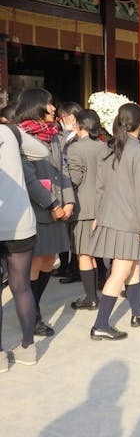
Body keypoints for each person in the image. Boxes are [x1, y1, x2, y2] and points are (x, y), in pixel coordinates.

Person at [87, 103, 140, 340]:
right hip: (129, 221)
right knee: (120, 272)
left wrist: (97, 215)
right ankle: (101, 324)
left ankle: (137, 312)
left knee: (133, 265)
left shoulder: (108, 150)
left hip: (109, 216)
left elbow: (100, 188)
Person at [16, 88, 75, 337]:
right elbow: (28, 178)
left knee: (49, 260)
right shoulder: (21, 137)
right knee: (35, 262)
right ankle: (34, 314)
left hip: (59, 208)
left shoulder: (56, 137)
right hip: (38, 209)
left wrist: (69, 200)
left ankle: (35, 304)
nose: (53, 109)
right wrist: (52, 204)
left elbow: (65, 170)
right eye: (49, 105)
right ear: (36, 106)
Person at [0, 120, 49, 369]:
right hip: (19, 222)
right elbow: (42, 151)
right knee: (21, 287)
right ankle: (28, 347)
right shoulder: (10, 131)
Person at [67, 109, 106, 310]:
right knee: (94, 253)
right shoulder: (104, 146)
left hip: (83, 208)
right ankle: (95, 293)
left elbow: (74, 179)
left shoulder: (75, 149)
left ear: (80, 125)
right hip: (103, 206)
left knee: (84, 254)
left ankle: (90, 297)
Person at [54, 101, 82, 284]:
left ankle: (74, 268)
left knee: (73, 233)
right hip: (64, 188)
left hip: (75, 189)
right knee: (64, 231)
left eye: (63, 116)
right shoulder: (62, 134)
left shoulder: (78, 137)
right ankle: (65, 265)